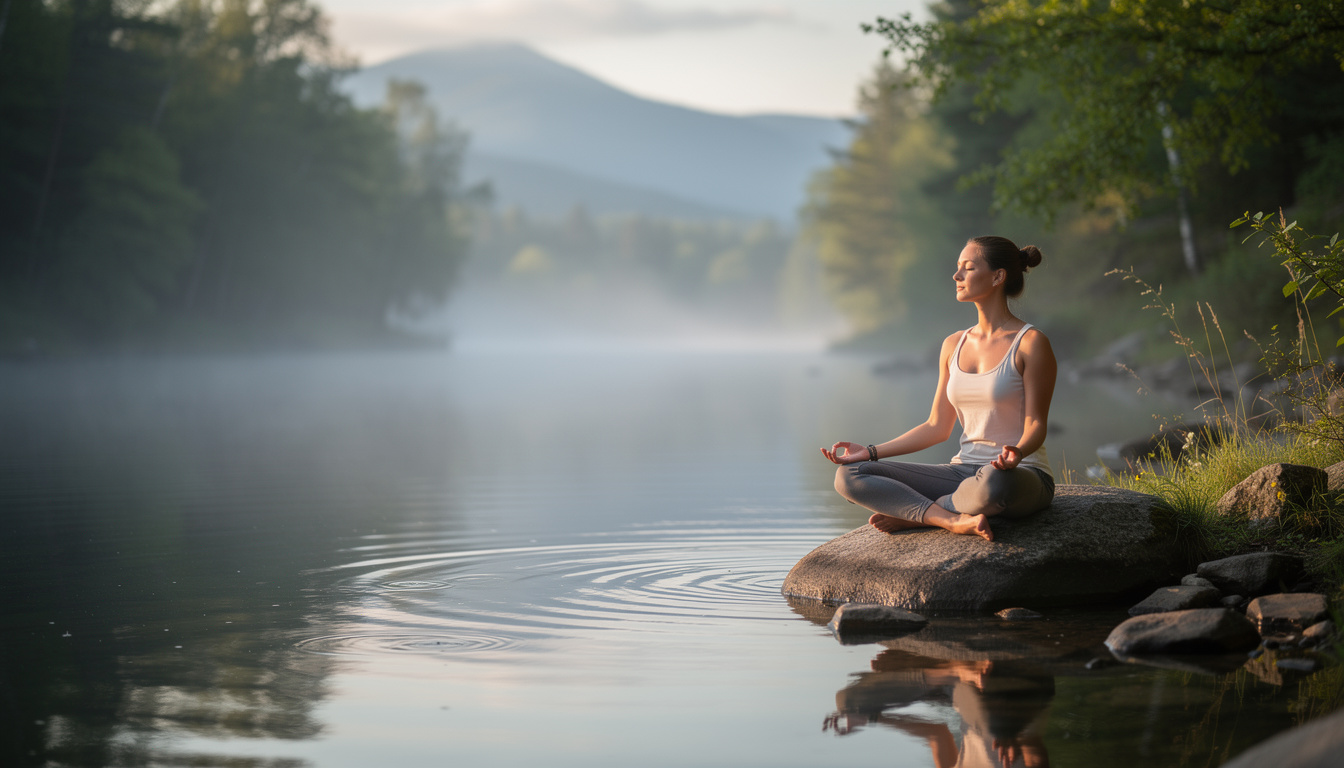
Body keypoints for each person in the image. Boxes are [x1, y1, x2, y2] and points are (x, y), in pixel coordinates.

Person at [821, 236, 1056, 542]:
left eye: (968, 268)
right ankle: (946, 519)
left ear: (999, 276)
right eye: (958, 268)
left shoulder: (1030, 343)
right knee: (850, 476)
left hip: (1018, 474)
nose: (956, 276)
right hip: (963, 474)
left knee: (995, 484)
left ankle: (915, 514)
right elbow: (936, 427)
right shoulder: (953, 345)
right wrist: (870, 452)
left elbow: (1036, 423)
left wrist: (1018, 451)